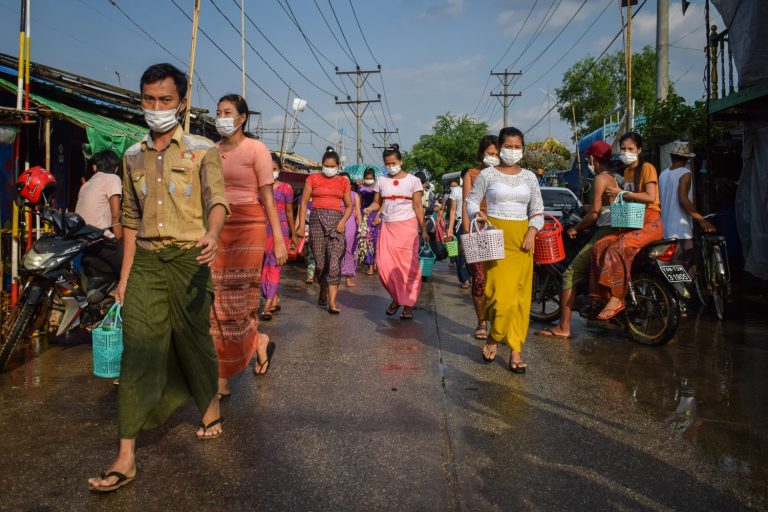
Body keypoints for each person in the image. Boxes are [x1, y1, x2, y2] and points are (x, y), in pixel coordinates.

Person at [88, 63, 229, 493]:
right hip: (148, 260)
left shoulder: (203, 150)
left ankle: (207, 403)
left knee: (192, 339)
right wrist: (125, 278)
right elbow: (130, 221)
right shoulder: (131, 156)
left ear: (181, 103)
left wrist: (213, 232)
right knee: (139, 350)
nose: (156, 108)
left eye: (165, 100)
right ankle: (126, 456)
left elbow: (218, 201)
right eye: (149, 99)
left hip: (190, 261)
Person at [211, 94, 287, 400]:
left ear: (242, 118)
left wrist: (279, 239)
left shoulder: (257, 149)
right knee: (215, 304)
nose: (220, 117)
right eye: (218, 112)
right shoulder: (210, 152)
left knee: (241, 303)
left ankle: (252, 344)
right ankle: (225, 371)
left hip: (250, 228)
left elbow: (268, 196)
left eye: (227, 112)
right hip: (217, 229)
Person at [466, 127, 544, 374]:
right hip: (495, 239)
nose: (513, 151)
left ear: (523, 148)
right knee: (499, 298)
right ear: (499, 148)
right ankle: (495, 336)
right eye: (508, 146)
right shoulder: (487, 175)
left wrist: (532, 231)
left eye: (517, 146)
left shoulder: (530, 177)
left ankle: (516, 349)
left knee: (520, 300)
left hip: (522, 242)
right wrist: (476, 214)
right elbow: (471, 201)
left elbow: (538, 210)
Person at [535, 141, 619, 339]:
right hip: (616, 228)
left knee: (570, 274)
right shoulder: (615, 178)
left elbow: (595, 215)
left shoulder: (600, 178)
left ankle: (563, 327)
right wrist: (586, 207)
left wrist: (575, 227)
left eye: (588, 158)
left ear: (592, 159)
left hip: (604, 229)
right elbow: (602, 206)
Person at [590, 132, 664, 320]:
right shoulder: (627, 171)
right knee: (599, 246)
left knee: (617, 248)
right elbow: (627, 198)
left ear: (639, 150)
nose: (626, 152)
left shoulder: (646, 168)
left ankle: (617, 298)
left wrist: (621, 193)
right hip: (632, 220)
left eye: (630, 149)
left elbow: (650, 197)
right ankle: (603, 296)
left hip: (650, 221)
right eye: (623, 149)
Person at [363, 144, 430, 319]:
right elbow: (378, 202)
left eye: (394, 162)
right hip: (387, 227)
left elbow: (417, 206)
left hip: (407, 228)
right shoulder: (381, 180)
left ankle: (407, 305)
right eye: (387, 163)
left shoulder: (413, 180)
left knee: (408, 268)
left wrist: (423, 229)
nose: (391, 166)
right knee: (384, 265)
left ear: (401, 161)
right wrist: (371, 208)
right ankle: (396, 298)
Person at [295, 147, 353, 314]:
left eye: (332, 165)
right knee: (320, 264)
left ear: (338, 166)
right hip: (316, 223)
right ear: (322, 165)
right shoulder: (312, 179)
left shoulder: (343, 182)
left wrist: (343, 222)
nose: (329, 168)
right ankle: (322, 289)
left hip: (337, 224)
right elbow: (304, 202)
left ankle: (332, 303)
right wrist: (300, 226)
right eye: (326, 165)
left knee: (334, 262)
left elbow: (349, 206)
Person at [460, 135, 499, 340]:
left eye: (496, 154)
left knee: (499, 280)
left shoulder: (506, 175)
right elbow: (466, 205)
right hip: (479, 230)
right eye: (490, 153)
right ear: (482, 154)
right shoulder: (472, 174)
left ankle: (498, 322)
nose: (493, 157)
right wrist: (467, 236)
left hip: (502, 230)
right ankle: (481, 321)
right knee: (479, 279)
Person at [659, 140, 715, 261]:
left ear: (671, 156)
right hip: (680, 230)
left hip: (665, 229)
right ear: (687, 159)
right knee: (685, 266)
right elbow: (683, 199)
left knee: (670, 269)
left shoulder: (663, 174)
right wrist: (701, 220)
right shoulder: (685, 173)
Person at [75, 149, 123, 290]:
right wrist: (119, 239)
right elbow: (116, 214)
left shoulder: (85, 185)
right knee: (130, 271)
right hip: (101, 240)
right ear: (116, 168)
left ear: (94, 167)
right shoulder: (113, 179)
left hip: (83, 241)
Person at [261, 154, 296, 320]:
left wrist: (294, 233)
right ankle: (273, 297)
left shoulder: (286, 188)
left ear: (279, 170)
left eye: (274, 169)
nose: (271, 172)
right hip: (261, 230)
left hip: (280, 231)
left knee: (274, 267)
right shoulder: (259, 187)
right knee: (262, 269)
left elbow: (290, 211)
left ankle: (267, 305)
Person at [447, 168, 471, 288]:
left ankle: (472, 276)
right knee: (459, 253)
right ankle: (464, 279)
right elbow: (452, 210)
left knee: (472, 251)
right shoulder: (455, 191)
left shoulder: (476, 189)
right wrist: (450, 228)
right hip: (459, 224)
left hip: (473, 224)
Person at [340, 172, 362, 287]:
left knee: (349, 250)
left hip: (350, 224)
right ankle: (335, 276)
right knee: (336, 249)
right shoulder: (336, 194)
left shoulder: (354, 195)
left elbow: (358, 211)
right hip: (337, 222)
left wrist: (361, 226)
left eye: (346, 180)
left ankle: (348, 276)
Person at [357, 167, 381, 275]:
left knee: (376, 240)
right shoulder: (360, 188)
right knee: (366, 240)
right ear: (364, 178)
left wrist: (379, 216)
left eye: (371, 178)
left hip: (375, 215)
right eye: (367, 178)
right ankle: (370, 265)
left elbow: (380, 203)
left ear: (374, 178)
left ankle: (376, 262)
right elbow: (358, 203)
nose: (369, 180)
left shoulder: (378, 188)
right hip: (364, 214)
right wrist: (359, 216)